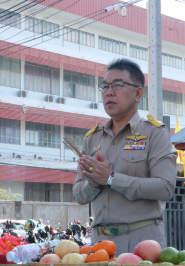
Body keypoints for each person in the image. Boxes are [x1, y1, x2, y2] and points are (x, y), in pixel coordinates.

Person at [72, 58, 177, 255]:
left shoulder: (154, 133)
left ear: (138, 93)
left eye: (118, 85)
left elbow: (165, 187)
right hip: (99, 243)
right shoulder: (92, 138)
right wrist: (95, 182)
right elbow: (78, 194)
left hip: (142, 241)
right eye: (104, 86)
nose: (109, 92)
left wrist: (112, 179)